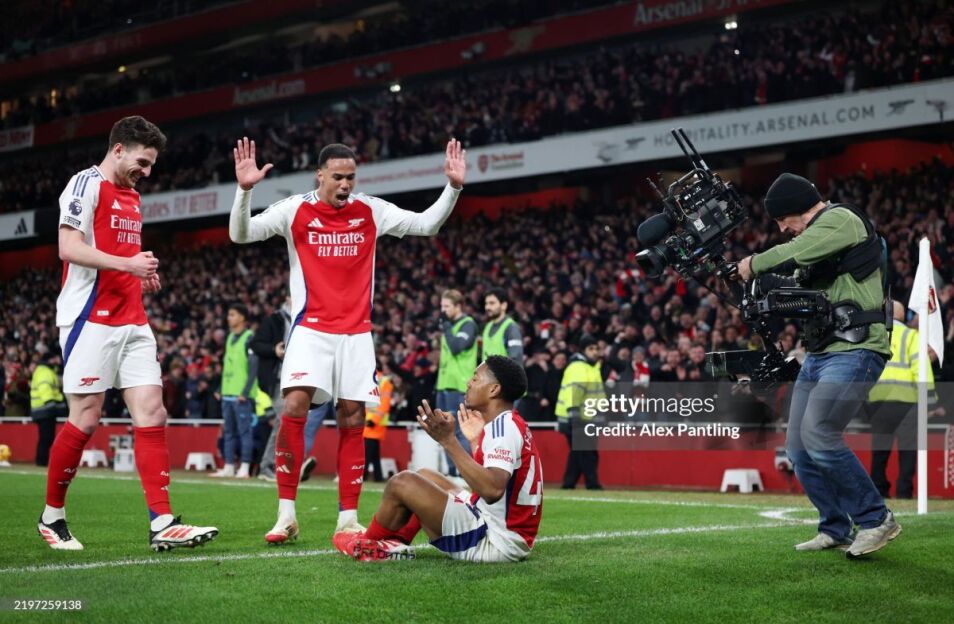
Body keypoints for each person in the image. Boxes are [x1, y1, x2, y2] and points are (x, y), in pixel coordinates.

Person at [229, 137, 466, 544]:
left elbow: (428, 224)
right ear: (319, 175)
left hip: (356, 334)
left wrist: (453, 187)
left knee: (353, 418)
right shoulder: (294, 210)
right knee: (295, 405)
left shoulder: (371, 210)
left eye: (351, 177)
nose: (345, 184)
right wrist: (244, 191)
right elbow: (241, 234)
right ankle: (286, 515)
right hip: (310, 330)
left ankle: (347, 519)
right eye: (337, 177)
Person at [40, 115, 218, 552]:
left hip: (132, 319)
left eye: (152, 164)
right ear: (118, 149)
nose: (147, 171)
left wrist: (139, 275)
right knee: (86, 417)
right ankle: (52, 517)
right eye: (143, 161)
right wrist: (128, 264)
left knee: (153, 412)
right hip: (90, 318)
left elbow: (118, 255)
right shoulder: (85, 184)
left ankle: (162, 522)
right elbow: (68, 247)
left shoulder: (132, 195)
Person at [737, 172, 896, 558]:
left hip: (856, 348)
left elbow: (796, 251)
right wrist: (765, 289)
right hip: (821, 352)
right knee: (798, 447)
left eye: (782, 220)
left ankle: (876, 519)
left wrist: (753, 264)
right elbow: (798, 285)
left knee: (820, 432)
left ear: (797, 207)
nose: (782, 229)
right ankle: (835, 526)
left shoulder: (840, 219)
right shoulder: (821, 248)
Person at [332, 356, 542, 562]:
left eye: (475, 378)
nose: (469, 383)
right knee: (425, 475)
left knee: (402, 482)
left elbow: (492, 490)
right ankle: (394, 543)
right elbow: (489, 486)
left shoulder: (502, 427)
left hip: (495, 540)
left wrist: (448, 441)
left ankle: (367, 544)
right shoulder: (509, 423)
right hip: (504, 531)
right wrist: (475, 442)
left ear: (494, 389)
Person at [866, 303, 941, 499]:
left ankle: (879, 491)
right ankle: (903, 492)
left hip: (879, 401)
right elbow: (920, 369)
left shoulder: (874, 335)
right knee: (907, 450)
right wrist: (930, 400)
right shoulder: (911, 336)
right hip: (907, 401)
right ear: (901, 315)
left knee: (880, 451)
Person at [211, 303, 259, 479]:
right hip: (227, 394)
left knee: (245, 432)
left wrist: (245, 392)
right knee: (229, 432)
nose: (229, 318)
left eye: (232, 314)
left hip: (241, 396)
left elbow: (253, 368)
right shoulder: (230, 337)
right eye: (229, 314)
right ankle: (229, 466)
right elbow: (228, 366)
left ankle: (245, 467)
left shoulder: (249, 338)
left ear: (242, 317)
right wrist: (220, 388)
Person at [435, 289, 478, 476]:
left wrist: (446, 327)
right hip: (444, 384)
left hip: (460, 386)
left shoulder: (468, 325)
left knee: (460, 431)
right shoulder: (450, 325)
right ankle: (452, 473)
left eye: (447, 306)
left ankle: (465, 473)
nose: (443, 311)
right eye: (442, 306)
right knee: (445, 431)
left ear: (458, 306)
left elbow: (456, 347)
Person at [556, 334, 605, 490]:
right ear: (583, 350)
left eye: (596, 348)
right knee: (587, 453)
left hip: (582, 417)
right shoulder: (579, 367)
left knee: (579, 453)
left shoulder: (590, 367)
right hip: (576, 417)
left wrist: (600, 415)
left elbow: (596, 396)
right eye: (591, 349)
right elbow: (574, 392)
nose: (595, 352)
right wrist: (574, 415)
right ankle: (592, 484)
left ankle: (569, 484)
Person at [251, 296, 291, 481]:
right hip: (277, 379)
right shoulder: (274, 319)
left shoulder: (307, 318)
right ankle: (269, 465)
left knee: (286, 421)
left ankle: (273, 465)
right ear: (288, 298)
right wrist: (274, 350)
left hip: (298, 378)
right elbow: (256, 344)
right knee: (285, 420)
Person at [30, 350, 66, 467]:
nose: (57, 361)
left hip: (43, 409)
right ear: (49, 360)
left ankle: (42, 461)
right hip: (44, 409)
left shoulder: (46, 371)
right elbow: (45, 389)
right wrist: (51, 404)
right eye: (55, 358)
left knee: (46, 438)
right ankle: (41, 462)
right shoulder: (45, 372)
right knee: (46, 438)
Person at [363, 367, 394, 482]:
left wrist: (374, 420)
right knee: (374, 453)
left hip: (373, 423)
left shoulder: (383, 382)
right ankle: (378, 476)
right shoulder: (378, 381)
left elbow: (385, 404)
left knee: (367, 453)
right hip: (371, 422)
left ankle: (363, 475)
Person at [482, 288, 523, 361]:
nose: (487, 307)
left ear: (504, 305)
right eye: (486, 303)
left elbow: (515, 359)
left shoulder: (511, 328)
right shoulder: (487, 326)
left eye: (492, 303)